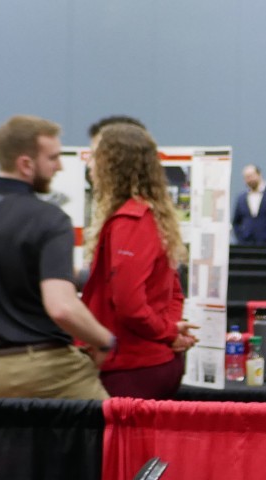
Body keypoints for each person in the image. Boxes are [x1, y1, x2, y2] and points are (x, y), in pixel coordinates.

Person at [0, 115, 116, 400]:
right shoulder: (51, 220)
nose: (59, 166)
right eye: (53, 158)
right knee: (111, 427)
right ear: (26, 164)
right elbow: (62, 307)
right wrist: (105, 340)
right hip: (54, 372)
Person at [82, 123, 198, 399]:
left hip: (132, 366)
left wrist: (169, 333)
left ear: (113, 165)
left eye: (95, 156)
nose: (89, 164)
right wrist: (169, 332)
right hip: (144, 361)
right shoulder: (146, 216)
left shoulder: (131, 221)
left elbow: (130, 305)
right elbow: (173, 291)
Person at [231, 164, 266, 246]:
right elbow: (236, 222)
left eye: (251, 176)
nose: (249, 180)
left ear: (259, 175)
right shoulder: (241, 198)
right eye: (246, 177)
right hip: (246, 245)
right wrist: (240, 239)